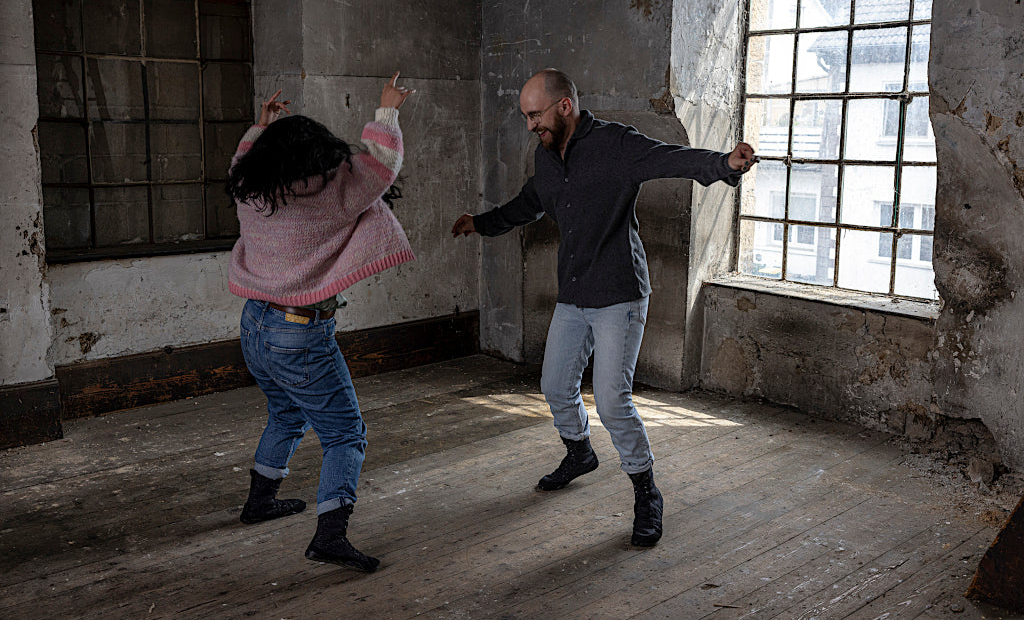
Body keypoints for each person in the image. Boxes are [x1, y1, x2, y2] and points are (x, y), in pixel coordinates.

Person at [451, 68, 757, 547]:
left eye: (535, 114)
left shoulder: (615, 145)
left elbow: (669, 159)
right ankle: (579, 453)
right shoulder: (547, 157)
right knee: (554, 385)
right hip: (574, 294)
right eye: (527, 117)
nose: (531, 124)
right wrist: (482, 222)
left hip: (619, 293)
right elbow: (530, 202)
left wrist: (724, 165)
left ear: (565, 106)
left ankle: (646, 493)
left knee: (613, 401)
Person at [226, 73, 415, 573]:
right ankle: (331, 536)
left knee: (287, 414)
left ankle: (260, 501)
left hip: (254, 326)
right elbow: (380, 166)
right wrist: (386, 111)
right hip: (299, 332)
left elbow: (240, 161)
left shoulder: (249, 189)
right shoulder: (337, 195)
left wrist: (258, 128)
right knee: (346, 434)